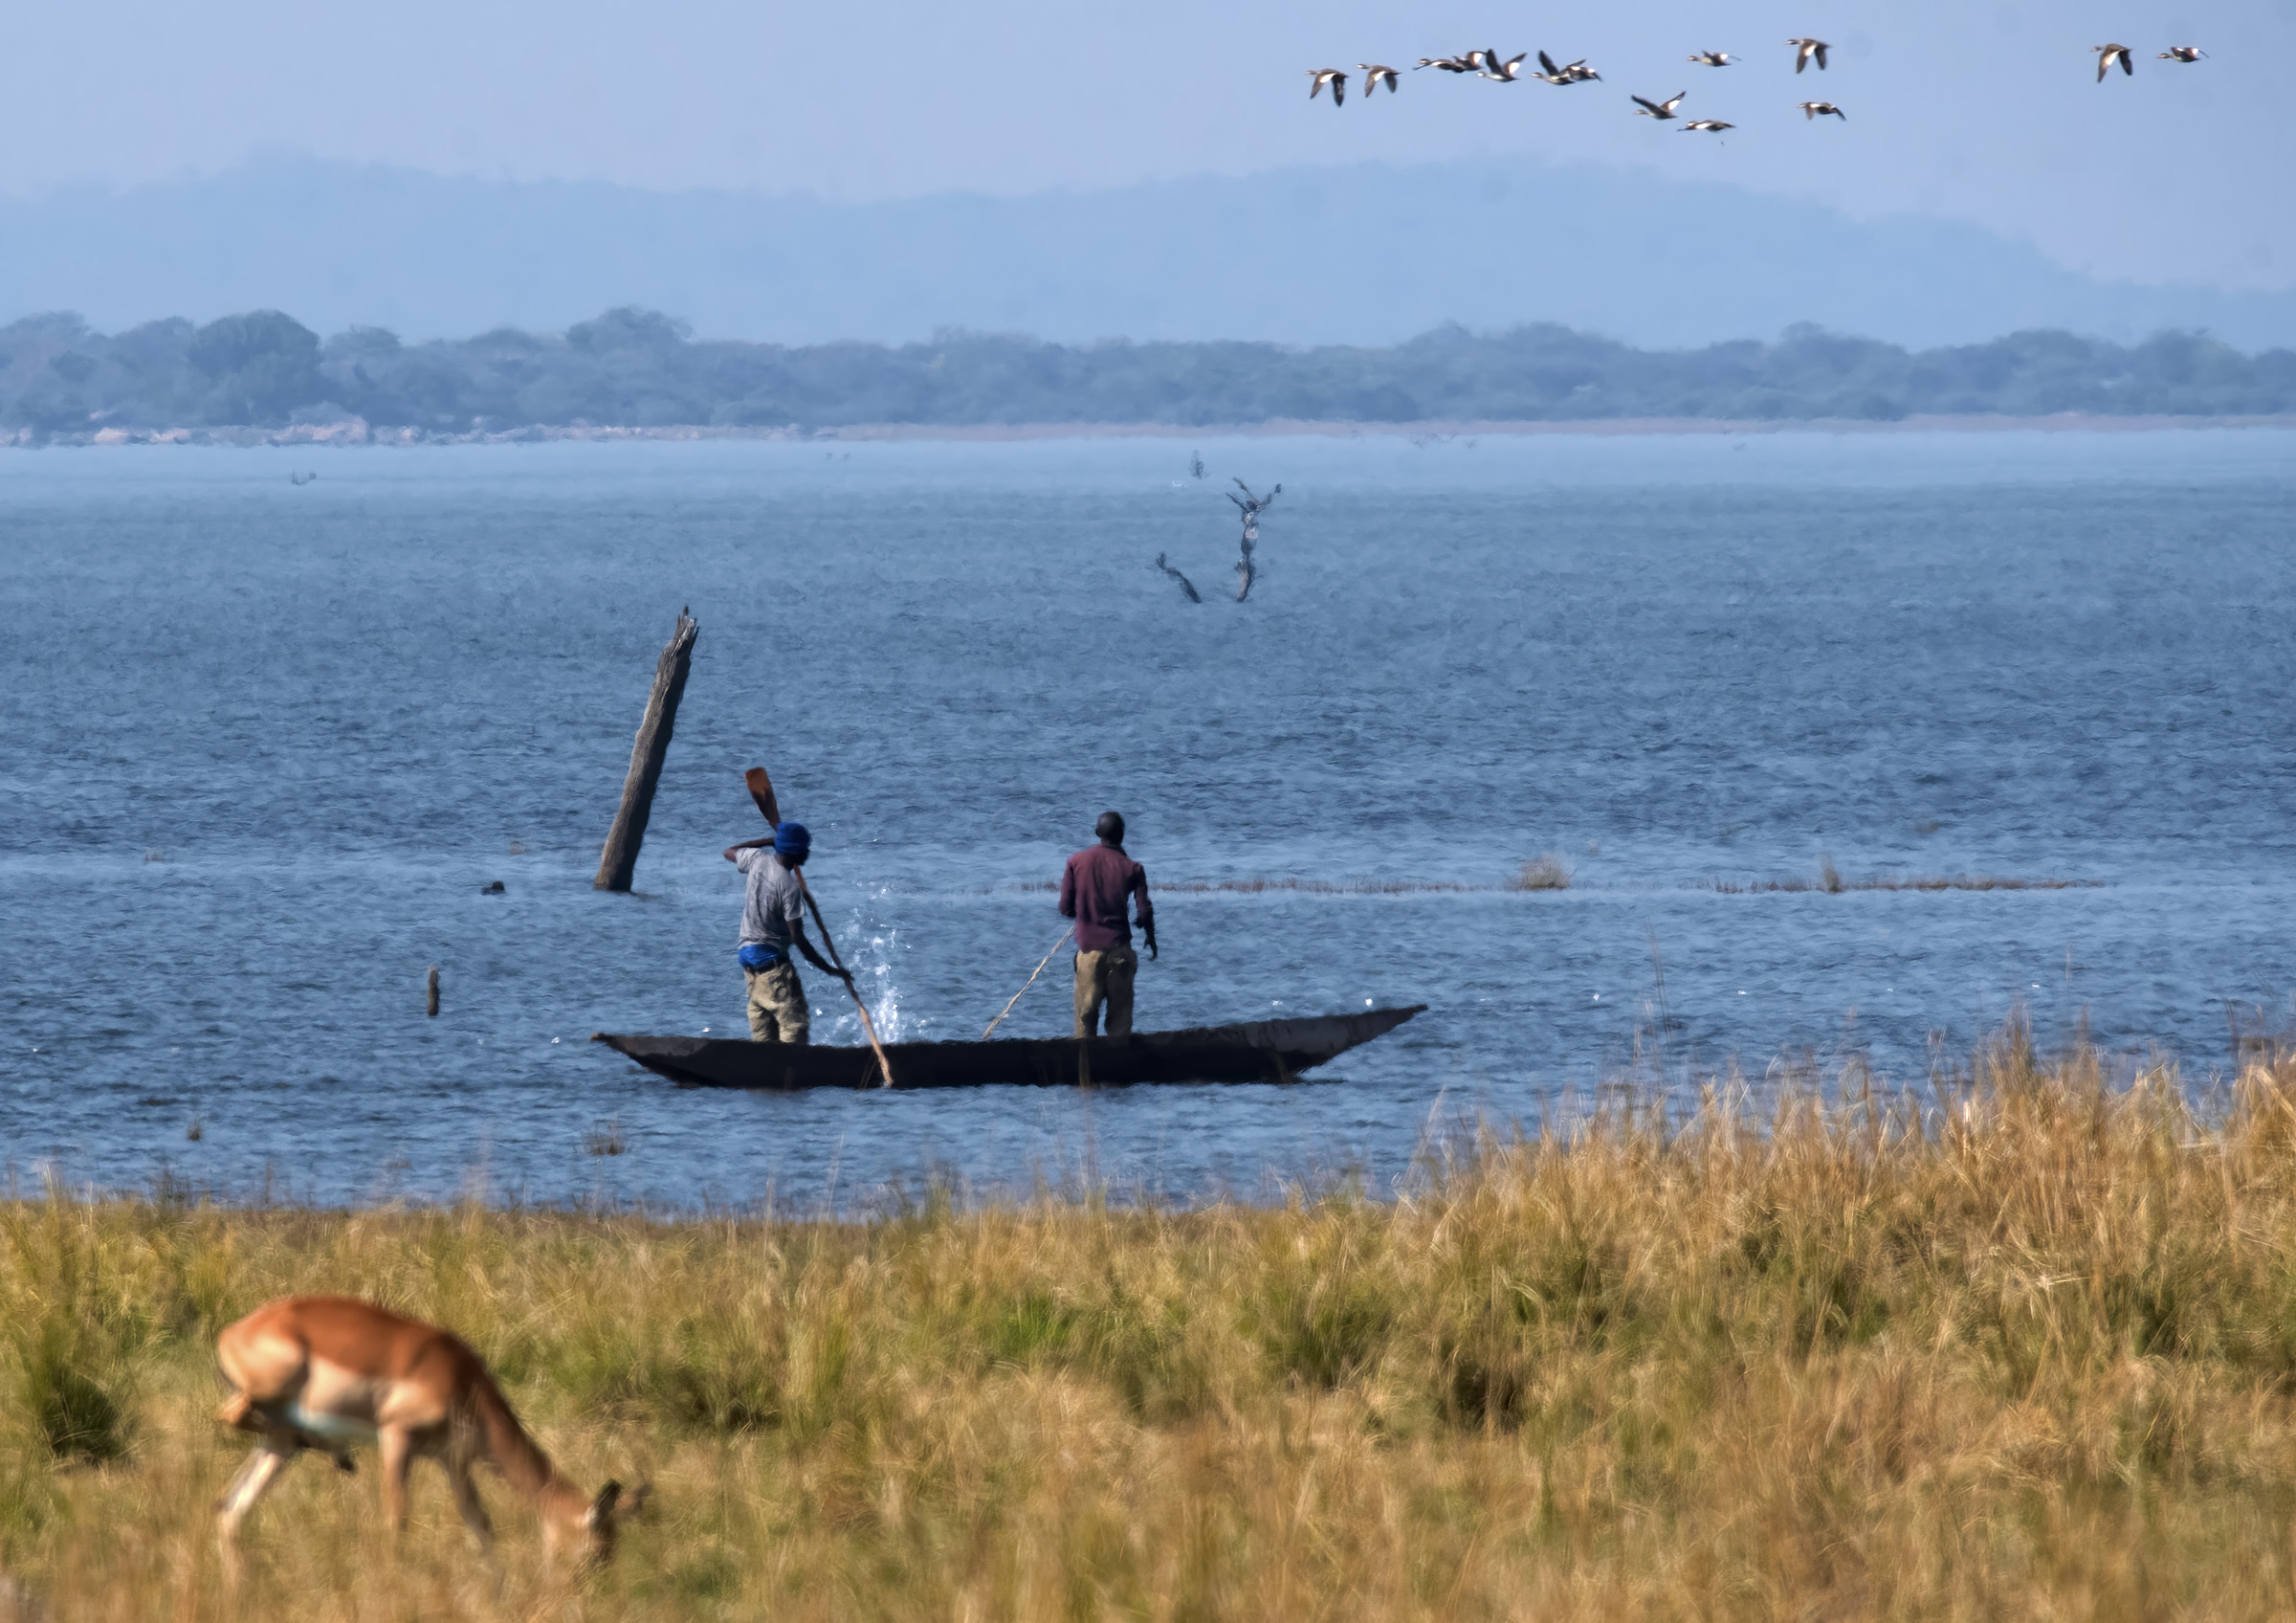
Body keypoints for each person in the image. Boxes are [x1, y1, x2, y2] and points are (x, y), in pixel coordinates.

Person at [721, 821, 850, 1044]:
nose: (808, 852)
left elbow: (729, 851)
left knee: (764, 1036)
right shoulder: (789, 888)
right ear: (796, 852)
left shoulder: (757, 860)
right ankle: (792, 1073)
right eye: (805, 848)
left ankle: (765, 1073)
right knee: (794, 1028)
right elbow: (798, 939)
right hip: (773, 969)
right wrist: (829, 969)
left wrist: (769, 841)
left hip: (748, 961)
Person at [1059, 810, 1157, 1039]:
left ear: (1096, 833)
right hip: (1120, 953)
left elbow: (1065, 908)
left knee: (1085, 1025)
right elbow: (1145, 913)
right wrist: (1150, 938)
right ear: (1122, 836)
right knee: (1119, 1029)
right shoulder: (1133, 868)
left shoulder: (1076, 862)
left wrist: (1084, 914)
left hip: (1089, 955)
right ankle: (1116, 1072)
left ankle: (1085, 1074)